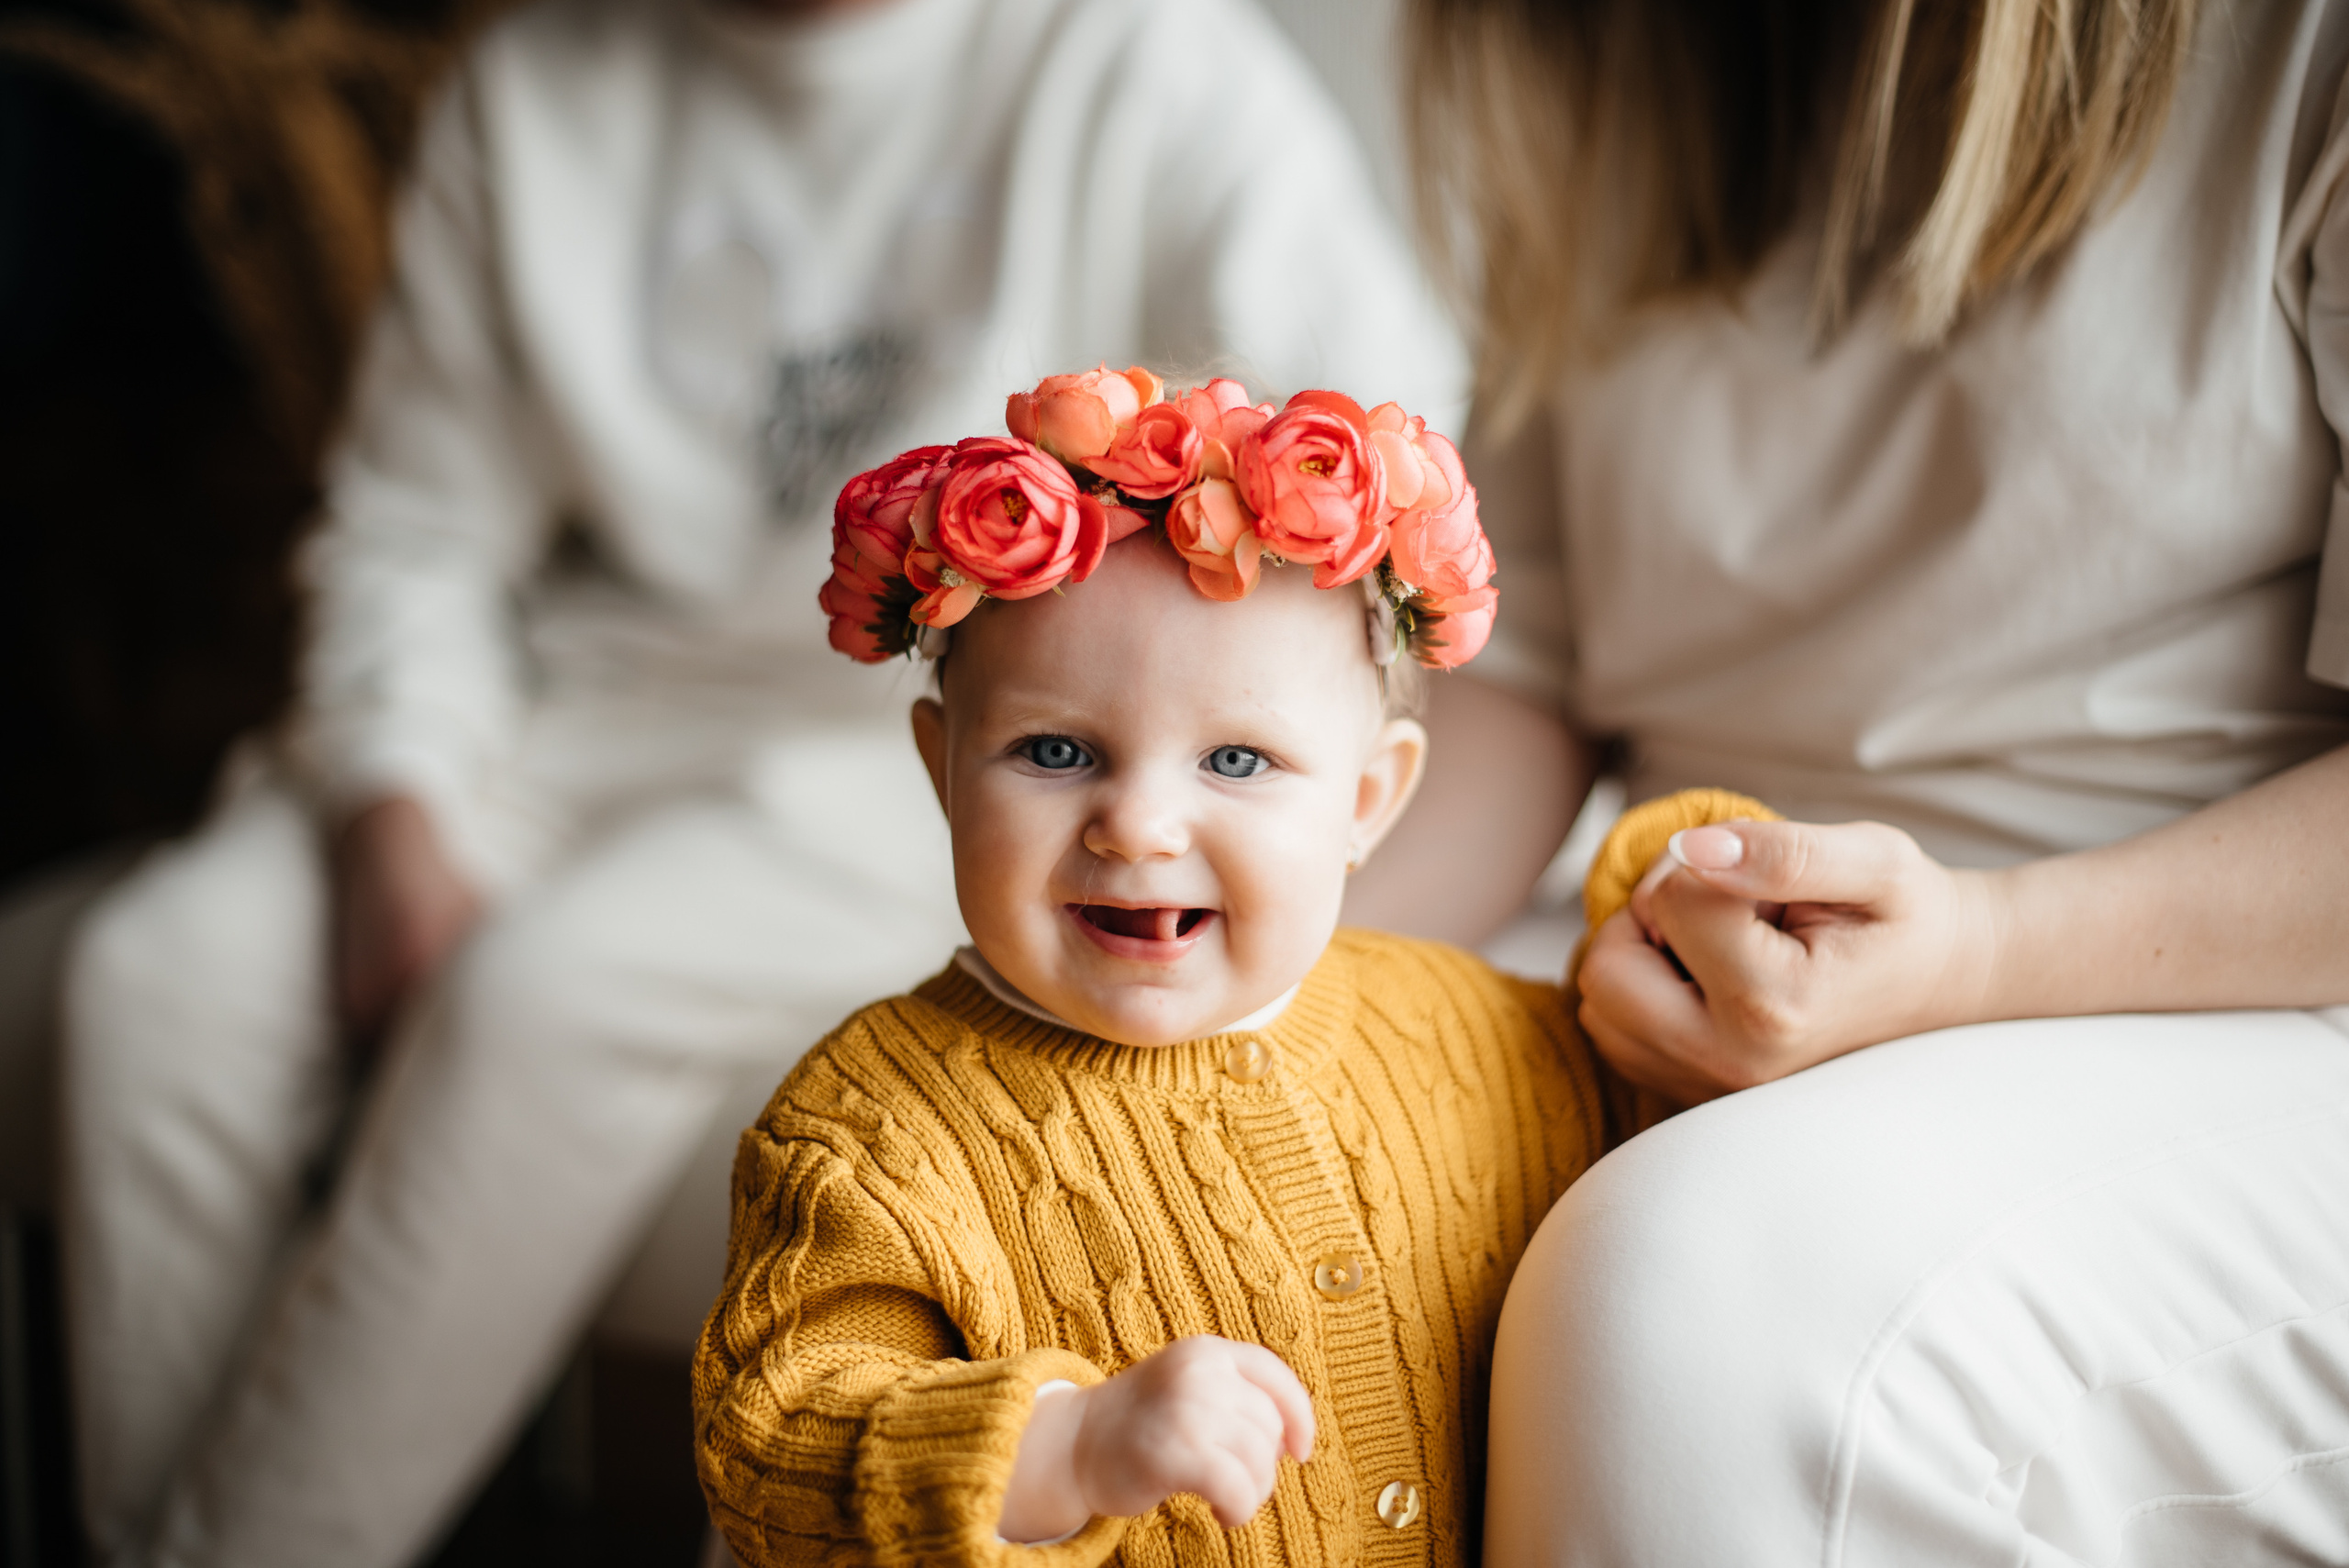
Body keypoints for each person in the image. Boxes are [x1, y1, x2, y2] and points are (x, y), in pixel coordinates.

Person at [56, 1, 1465, 1562]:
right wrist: (400, 802)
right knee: (154, 980)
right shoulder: (531, 89)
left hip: (949, 733)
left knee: (543, 991)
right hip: (570, 701)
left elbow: (1375, 447)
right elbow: (416, 525)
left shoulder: (1144, 61)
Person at [1334, 0, 2349, 1560]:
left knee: (1690, 1306)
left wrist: (1982, 953)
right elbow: (1529, 667)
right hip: (1681, 960)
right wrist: (1269, 951)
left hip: (2244, 991)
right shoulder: (1620, 58)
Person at [695, 370, 1622, 1566]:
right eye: (1056, 750)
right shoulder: (867, 1130)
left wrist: (1708, 882)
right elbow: (770, 1440)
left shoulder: (1467, 1029)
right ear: (943, 769)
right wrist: (1058, 1451)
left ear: (1366, 802)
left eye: (1235, 760)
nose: (1136, 827)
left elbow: (1675, 1068)